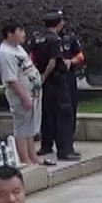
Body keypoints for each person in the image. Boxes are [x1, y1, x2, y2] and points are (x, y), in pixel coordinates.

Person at [33, 10, 83, 163]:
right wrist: (44, 75)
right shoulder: (52, 40)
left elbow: (80, 56)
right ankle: (63, 148)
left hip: (59, 79)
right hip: (57, 80)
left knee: (52, 112)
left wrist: (72, 62)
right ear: (60, 23)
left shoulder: (39, 39)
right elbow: (53, 61)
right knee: (62, 114)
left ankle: (55, 145)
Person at [0, 23, 42, 169]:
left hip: (32, 93)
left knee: (29, 127)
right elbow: (12, 79)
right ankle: (25, 159)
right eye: (20, 31)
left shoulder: (18, 48)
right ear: (10, 33)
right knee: (22, 128)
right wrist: (24, 97)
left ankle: (32, 156)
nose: (23, 34)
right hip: (21, 97)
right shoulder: (5, 54)